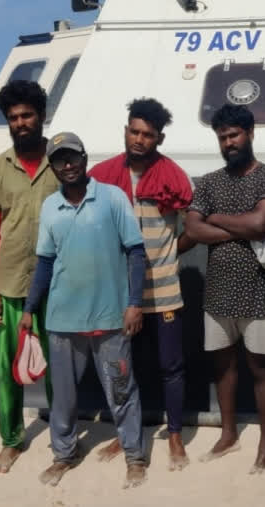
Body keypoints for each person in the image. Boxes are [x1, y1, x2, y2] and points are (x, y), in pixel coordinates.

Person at [21, 131, 150, 489]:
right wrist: (31, 307)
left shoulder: (112, 197)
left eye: (73, 157)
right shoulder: (49, 207)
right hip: (63, 319)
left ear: (85, 158)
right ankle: (64, 454)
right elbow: (45, 262)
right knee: (62, 396)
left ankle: (135, 456)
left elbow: (136, 252)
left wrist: (134, 303)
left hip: (111, 317)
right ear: (53, 166)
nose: (68, 165)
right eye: (59, 159)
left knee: (122, 390)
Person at [88, 98, 196, 471]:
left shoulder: (174, 177)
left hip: (164, 290)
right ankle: (125, 434)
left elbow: (192, 230)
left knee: (172, 366)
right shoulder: (101, 175)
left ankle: (177, 436)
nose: (139, 139)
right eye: (134, 131)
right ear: (125, 130)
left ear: (159, 138)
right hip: (117, 292)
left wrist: (167, 254)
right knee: (121, 367)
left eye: (147, 135)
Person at [184, 104, 265, 474]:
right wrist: (238, 226)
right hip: (217, 295)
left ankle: (264, 444)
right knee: (223, 368)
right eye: (222, 137)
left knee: (262, 370)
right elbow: (192, 231)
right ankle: (228, 434)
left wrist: (214, 217)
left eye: (234, 134)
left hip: (258, 294)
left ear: (250, 133)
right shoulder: (208, 182)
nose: (228, 142)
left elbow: (260, 223)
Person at [0, 81, 61, 474]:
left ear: (41, 116)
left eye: (27, 115)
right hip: (9, 284)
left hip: (56, 285)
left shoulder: (62, 161)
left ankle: (62, 436)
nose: (21, 123)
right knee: (8, 368)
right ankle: (11, 441)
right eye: (13, 118)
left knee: (58, 367)